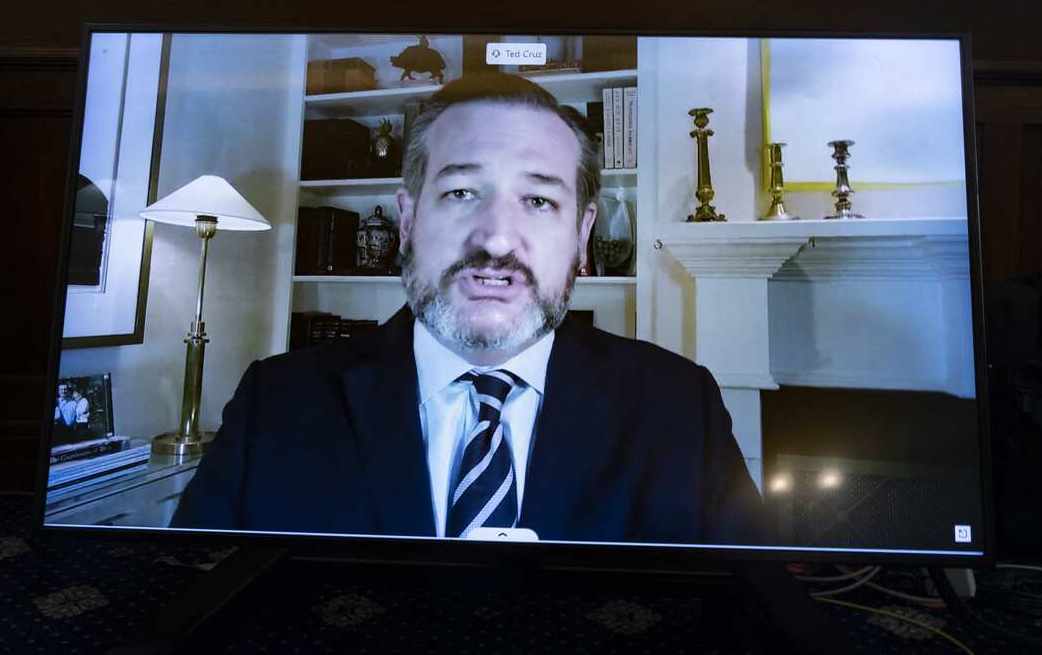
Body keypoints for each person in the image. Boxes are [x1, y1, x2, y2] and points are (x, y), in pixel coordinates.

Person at [171, 73, 768, 544]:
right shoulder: (274, 404)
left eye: (538, 199)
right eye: (461, 193)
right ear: (407, 221)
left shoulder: (679, 406)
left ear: (583, 236)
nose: (497, 240)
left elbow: (751, 623)